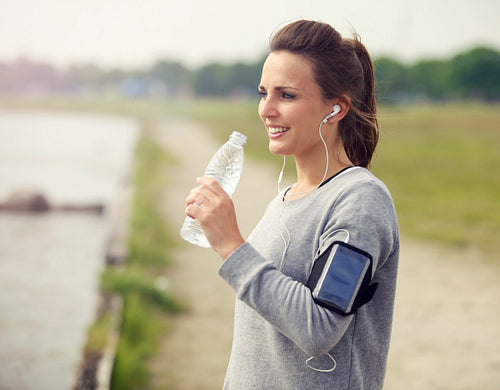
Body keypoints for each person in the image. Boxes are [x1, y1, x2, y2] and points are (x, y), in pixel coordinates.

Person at [184, 19, 399, 390]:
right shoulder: (286, 197)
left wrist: (231, 245)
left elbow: (319, 328)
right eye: (262, 92)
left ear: (336, 109)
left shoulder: (361, 200)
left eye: (286, 95)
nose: (265, 110)